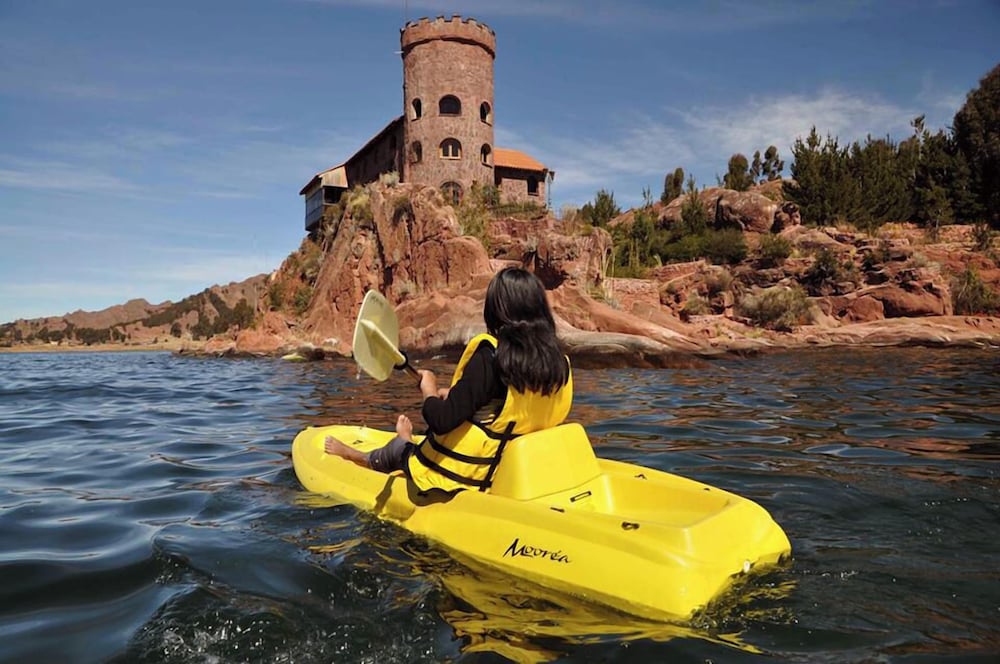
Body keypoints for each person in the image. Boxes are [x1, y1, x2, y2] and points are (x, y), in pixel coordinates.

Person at [324, 266, 573, 493]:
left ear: (496, 311)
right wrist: (451, 394)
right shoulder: (558, 365)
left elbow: (441, 421)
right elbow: (503, 409)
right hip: (508, 474)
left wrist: (429, 390)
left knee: (400, 451)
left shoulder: (491, 356)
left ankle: (362, 455)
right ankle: (405, 440)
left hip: (462, 477)